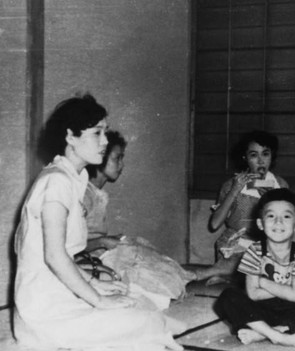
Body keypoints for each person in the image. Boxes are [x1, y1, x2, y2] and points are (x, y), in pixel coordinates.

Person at [13, 94, 185, 351]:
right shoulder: (55, 182)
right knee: (144, 322)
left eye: (105, 131)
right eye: (97, 133)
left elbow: (66, 257)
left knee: (137, 301)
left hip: (60, 291)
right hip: (44, 307)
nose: (105, 141)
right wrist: (96, 298)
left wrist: (95, 283)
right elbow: (53, 256)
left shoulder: (74, 177)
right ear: (70, 136)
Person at [82, 129, 196, 300]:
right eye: (117, 158)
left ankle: (200, 274)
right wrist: (102, 241)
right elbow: (68, 245)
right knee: (149, 271)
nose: (121, 165)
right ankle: (203, 274)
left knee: (144, 249)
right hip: (86, 260)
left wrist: (108, 239)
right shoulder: (84, 194)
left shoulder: (96, 192)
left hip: (99, 253)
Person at [214, 188, 295, 349]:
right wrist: (285, 288)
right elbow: (253, 294)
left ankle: (262, 333)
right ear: (260, 223)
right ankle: (278, 336)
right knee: (228, 297)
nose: (278, 222)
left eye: (286, 216)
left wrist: (262, 281)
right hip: (257, 311)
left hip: (290, 310)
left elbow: (294, 295)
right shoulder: (254, 251)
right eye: (271, 216)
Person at [194, 130, 288, 285]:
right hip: (235, 245)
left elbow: (285, 226)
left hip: (266, 246)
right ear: (245, 158)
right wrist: (235, 190)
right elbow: (214, 224)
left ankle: (227, 276)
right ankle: (220, 274)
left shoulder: (280, 185)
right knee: (250, 265)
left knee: (284, 271)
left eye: (265, 154)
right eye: (253, 155)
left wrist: (272, 200)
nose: (260, 161)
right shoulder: (231, 185)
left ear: (272, 156)